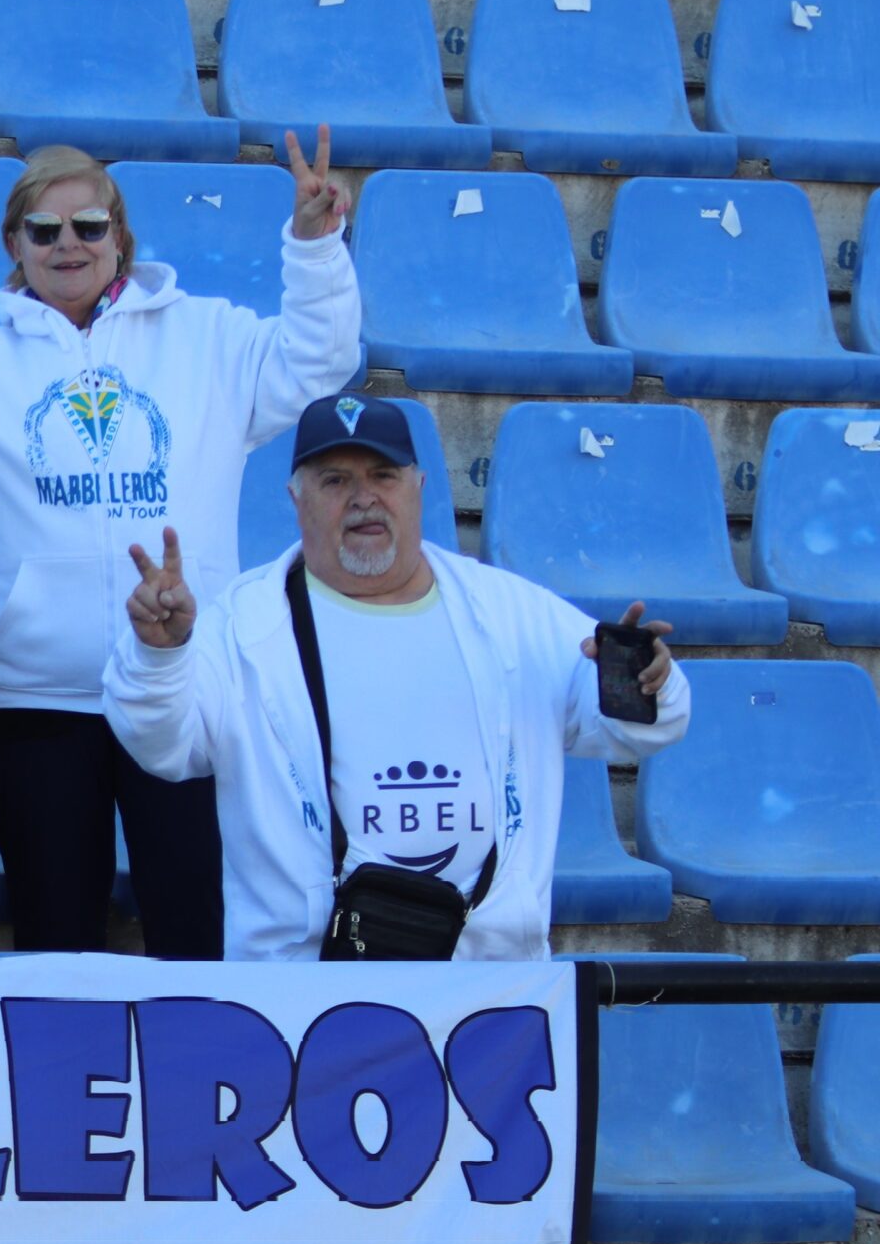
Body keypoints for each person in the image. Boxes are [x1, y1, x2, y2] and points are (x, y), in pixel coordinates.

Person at [0, 132, 362, 958]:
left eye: (89, 226)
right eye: (44, 230)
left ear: (120, 236)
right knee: (57, 939)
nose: (69, 245)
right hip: (32, 697)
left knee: (196, 930)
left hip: (187, 680)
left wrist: (314, 246)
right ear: (14, 245)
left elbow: (319, 361)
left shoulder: (212, 338)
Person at [103, 394, 688, 962]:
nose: (364, 498)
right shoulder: (240, 625)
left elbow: (639, 729)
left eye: (383, 476)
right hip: (302, 986)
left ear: (419, 488)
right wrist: (160, 656)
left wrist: (646, 681)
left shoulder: (514, 613)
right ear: (296, 499)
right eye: (335, 481)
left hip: (490, 979)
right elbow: (163, 748)